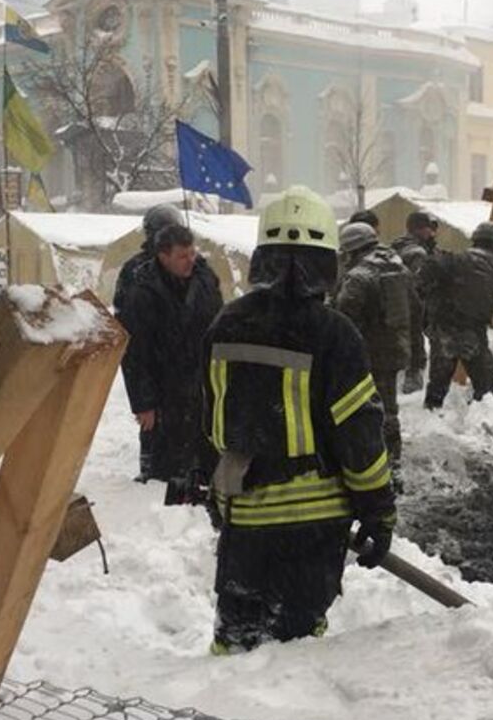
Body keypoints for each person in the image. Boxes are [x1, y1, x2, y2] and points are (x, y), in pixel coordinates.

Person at [203, 187, 396, 653]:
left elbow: (209, 418)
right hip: (313, 527)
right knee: (296, 654)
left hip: (244, 518)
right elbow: (360, 437)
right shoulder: (334, 334)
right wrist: (378, 512)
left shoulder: (225, 325)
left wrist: (216, 491)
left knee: (237, 638)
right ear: (327, 261)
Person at [117, 222, 222, 484]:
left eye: (192, 254)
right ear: (163, 256)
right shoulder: (142, 293)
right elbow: (135, 354)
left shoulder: (206, 280)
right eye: (182, 256)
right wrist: (144, 404)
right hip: (164, 389)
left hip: (203, 385)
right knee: (164, 473)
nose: (190, 261)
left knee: (205, 459)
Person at [113, 202, 184, 480]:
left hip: (184, 364)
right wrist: (141, 400)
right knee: (152, 424)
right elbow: (128, 333)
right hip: (150, 362)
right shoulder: (136, 271)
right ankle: (152, 473)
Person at [332, 221, 412, 459]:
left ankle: (371, 458)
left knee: (361, 409)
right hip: (394, 347)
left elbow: (343, 318)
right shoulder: (398, 267)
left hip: (366, 352)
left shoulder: (358, 277)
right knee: (389, 408)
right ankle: (393, 455)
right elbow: (416, 308)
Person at [419, 220, 493, 409]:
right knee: (489, 387)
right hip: (474, 333)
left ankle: (432, 419)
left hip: (445, 329)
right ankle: (484, 421)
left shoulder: (457, 259)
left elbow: (426, 274)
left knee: (437, 388)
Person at [391, 210, 438, 393]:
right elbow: (421, 281)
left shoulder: (396, 246)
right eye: (428, 228)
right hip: (413, 303)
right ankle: (413, 378)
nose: (432, 233)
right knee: (415, 341)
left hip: (395, 303)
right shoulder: (417, 253)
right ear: (421, 229)